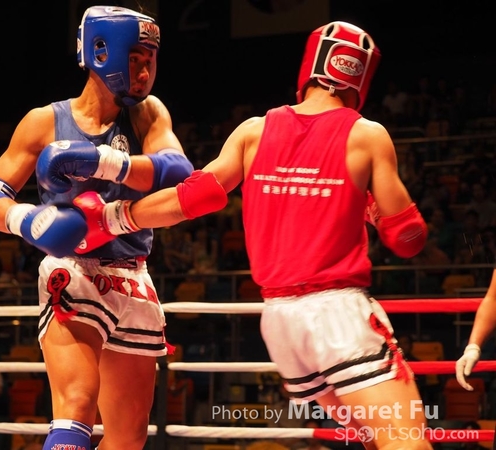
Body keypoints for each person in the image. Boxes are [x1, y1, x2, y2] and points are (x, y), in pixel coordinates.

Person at [75, 22, 432, 449]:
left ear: (310, 67)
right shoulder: (367, 134)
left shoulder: (253, 131)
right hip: (338, 313)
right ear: (362, 77)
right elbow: (407, 238)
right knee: (406, 440)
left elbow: (194, 197)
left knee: (373, 441)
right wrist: (373, 207)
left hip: (281, 322)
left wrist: (112, 218)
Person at [0, 6, 193, 450]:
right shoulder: (45, 122)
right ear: (101, 52)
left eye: (150, 59)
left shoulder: (147, 114)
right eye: (135, 58)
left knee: (128, 438)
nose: (144, 71)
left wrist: (102, 161)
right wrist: (27, 219)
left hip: (133, 277)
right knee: (76, 404)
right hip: (73, 270)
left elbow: (178, 171)